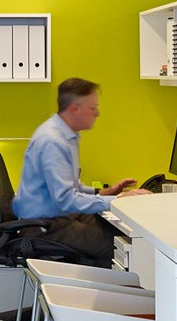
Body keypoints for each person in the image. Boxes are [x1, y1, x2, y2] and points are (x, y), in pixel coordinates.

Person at [10, 76, 151, 263]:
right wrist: (117, 200)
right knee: (124, 248)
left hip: (58, 217)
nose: (98, 113)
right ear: (74, 109)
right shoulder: (53, 142)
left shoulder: (66, 135)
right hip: (46, 227)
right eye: (93, 108)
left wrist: (102, 192)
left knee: (125, 235)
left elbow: (69, 186)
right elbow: (66, 199)